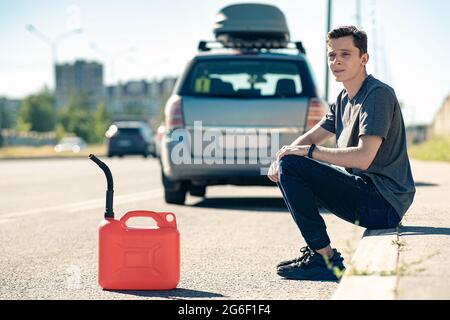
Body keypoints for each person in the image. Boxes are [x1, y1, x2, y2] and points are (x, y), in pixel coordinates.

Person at [267, 26, 416, 281]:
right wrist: (282, 156)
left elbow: (363, 157)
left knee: (294, 164)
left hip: (383, 202)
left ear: (363, 58)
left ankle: (324, 259)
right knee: (290, 163)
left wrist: (306, 153)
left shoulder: (377, 95)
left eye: (345, 54)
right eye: (331, 55)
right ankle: (321, 255)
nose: (336, 61)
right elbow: (311, 136)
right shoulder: (343, 98)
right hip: (366, 193)